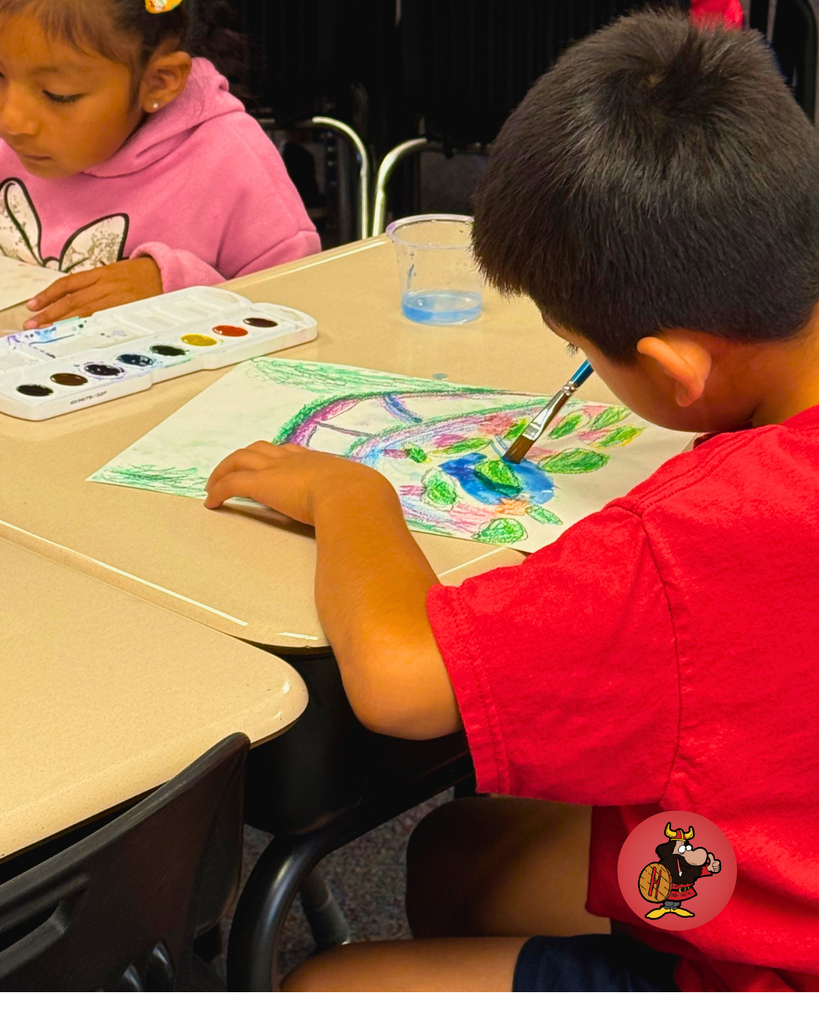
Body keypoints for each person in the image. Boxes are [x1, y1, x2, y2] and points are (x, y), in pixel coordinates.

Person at [205, 10, 819, 992]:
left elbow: (403, 684)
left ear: (674, 372)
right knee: (460, 851)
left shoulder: (695, 536)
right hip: (765, 853)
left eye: (584, 352)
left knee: (323, 991)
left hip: (768, 963)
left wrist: (352, 492)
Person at [0, 0, 319, 329]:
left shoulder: (230, 161)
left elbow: (300, 312)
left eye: (58, 95)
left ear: (159, 82)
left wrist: (178, 289)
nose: (12, 120)